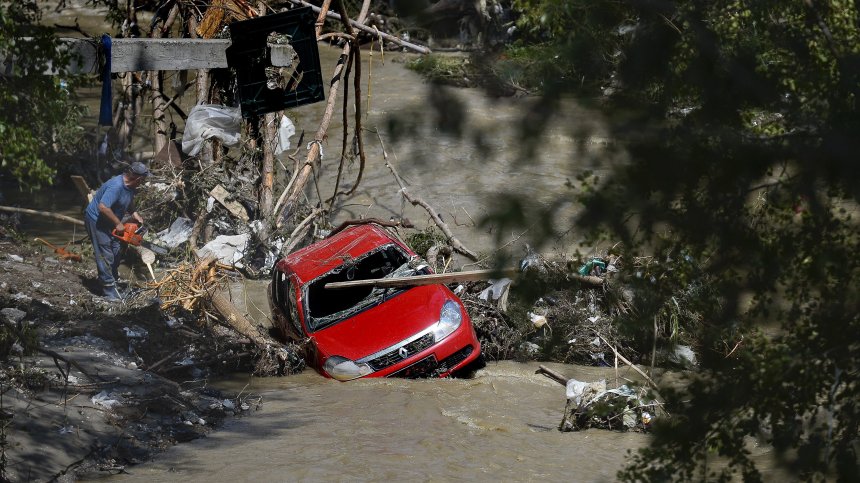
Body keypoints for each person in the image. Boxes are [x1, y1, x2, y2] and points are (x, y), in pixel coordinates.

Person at [84, 162, 150, 301]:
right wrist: (118, 223)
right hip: (97, 220)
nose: (143, 182)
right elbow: (103, 207)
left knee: (116, 250)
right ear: (138, 178)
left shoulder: (130, 186)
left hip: (109, 221)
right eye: (143, 180)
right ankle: (108, 290)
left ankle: (111, 282)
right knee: (105, 254)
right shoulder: (116, 186)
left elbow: (129, 200)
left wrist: (134, 213)